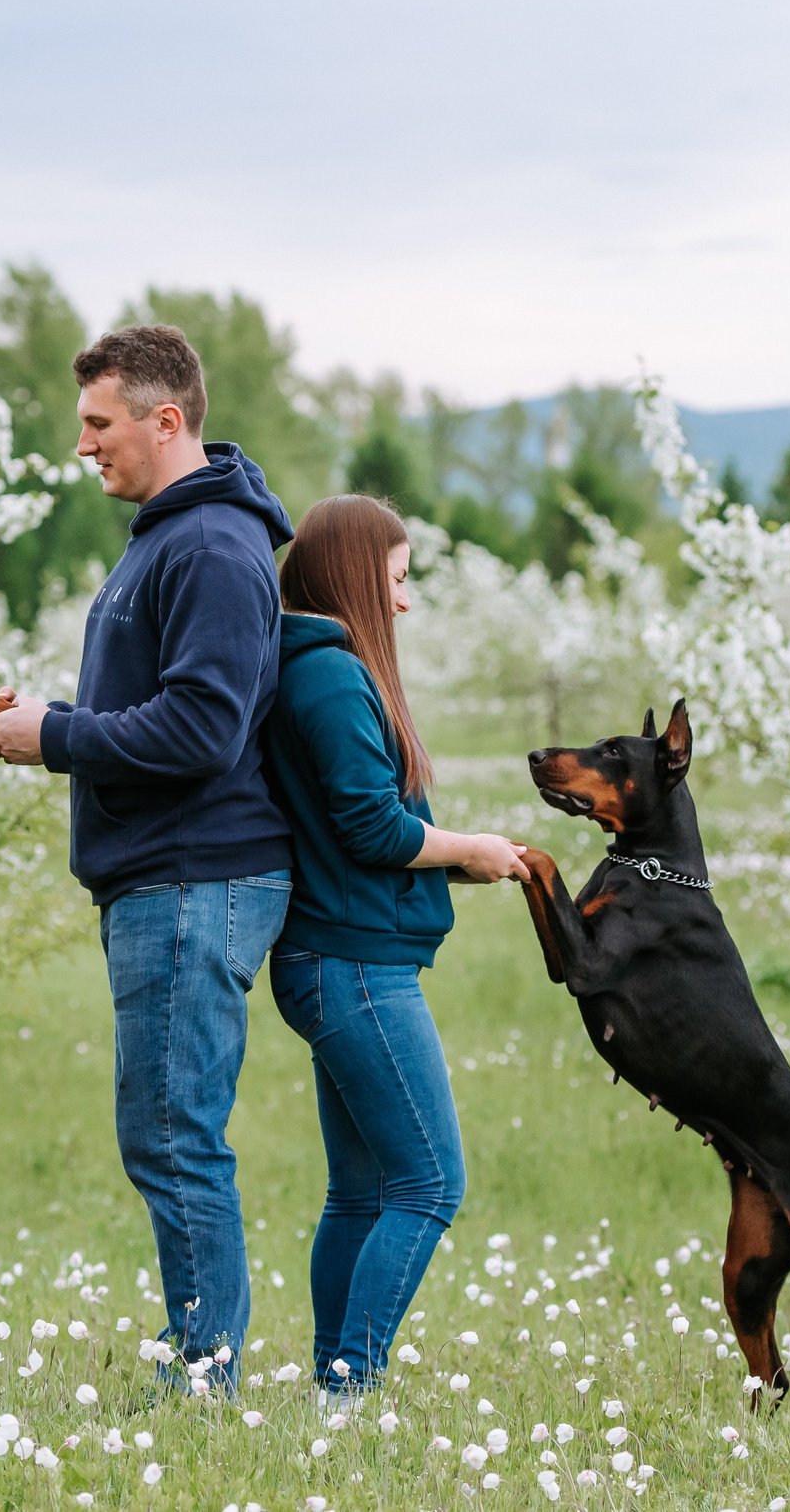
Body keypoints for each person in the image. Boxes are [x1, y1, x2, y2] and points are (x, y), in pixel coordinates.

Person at [0, 324, 292, 1389]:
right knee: (165, 1131)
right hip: (168, 873)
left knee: (172, 1135)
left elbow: (202, 730)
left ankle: (203, 1377)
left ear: (167, 420)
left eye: (99, 423)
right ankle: (199, 1361)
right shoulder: (175, 534)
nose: (84, 445)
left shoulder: (207, 545)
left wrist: (54, 734)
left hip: (194, 875)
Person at [264, 494, 527, 1401]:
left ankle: (329, 1384)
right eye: (398, 578)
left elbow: (355, 826)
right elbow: (372, 826)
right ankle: (349, 1384)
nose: (404, 602)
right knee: (428, 1183)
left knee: (363, 1190)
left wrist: (461, 863)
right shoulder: (330, 674)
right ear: (352, 572)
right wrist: (472, 846)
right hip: (356, 965)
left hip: (337, 955)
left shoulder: (305, 665)